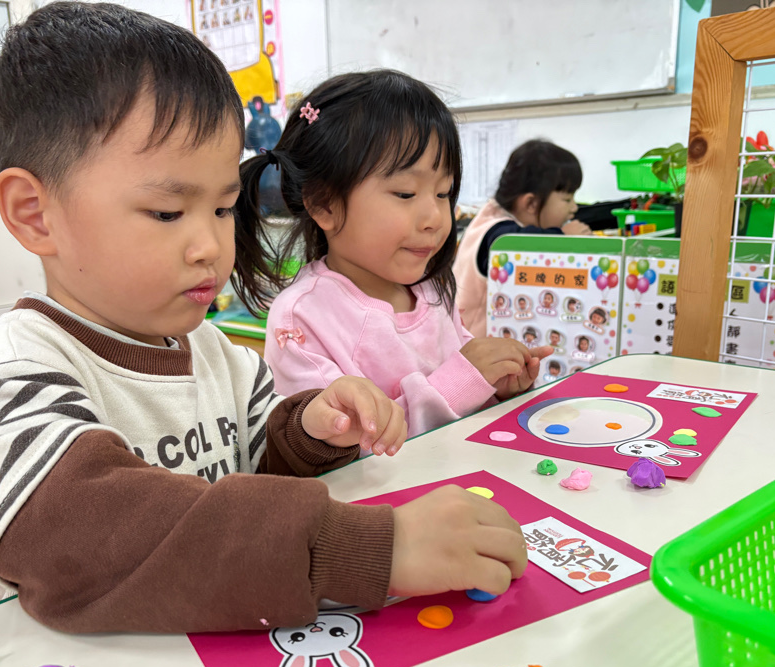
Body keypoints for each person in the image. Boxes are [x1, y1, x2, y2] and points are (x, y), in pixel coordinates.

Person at [0, 3, 527, 635]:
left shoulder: (218, 354)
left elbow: (263, 460)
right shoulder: (19, 363)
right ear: (34, 213)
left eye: (224, 209)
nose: (210, 247)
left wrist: (309, 430)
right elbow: (69, 528)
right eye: (168, 213)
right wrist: (364, 548)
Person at [236, 70, 551, 439]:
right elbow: (349, 446)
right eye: (405, 194)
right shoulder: (302, 318)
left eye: (443, 193)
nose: (435, 218)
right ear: (324, 203)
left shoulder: (431, 288)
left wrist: (496, 385)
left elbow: (464, 384)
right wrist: (464, 380)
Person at [454, 141, 591, 336]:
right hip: (470, 345)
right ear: (531, 203)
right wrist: (562, 236)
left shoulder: (492, 216)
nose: (574, 208)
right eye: (567, 199)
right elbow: (519, 243)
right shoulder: (497, 231)